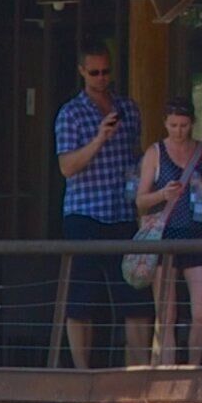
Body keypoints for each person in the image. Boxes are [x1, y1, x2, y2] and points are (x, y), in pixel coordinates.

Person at [49, 48, 142, 367]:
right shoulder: (71, 113)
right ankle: (81, 372)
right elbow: (67, 166)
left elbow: (136, 156)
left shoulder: (128, 107)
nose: (102, 79)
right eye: (95, 73)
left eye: (106, 72)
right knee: (81, 299)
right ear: (81, 72)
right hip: (85, 213)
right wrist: (99, 138)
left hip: (123, 212)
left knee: (135, 296)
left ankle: (136, 369)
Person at [137, 103, 202, 367]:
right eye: (173, 125)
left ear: (192, 124)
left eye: (184, 125)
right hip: (164, 235)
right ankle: (165, 370)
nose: (178, 131)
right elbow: (140, 201)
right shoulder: (155, 153)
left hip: (196, 234)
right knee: (166, 312)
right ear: (165, 123)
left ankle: (193, 367)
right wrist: (163, 194)